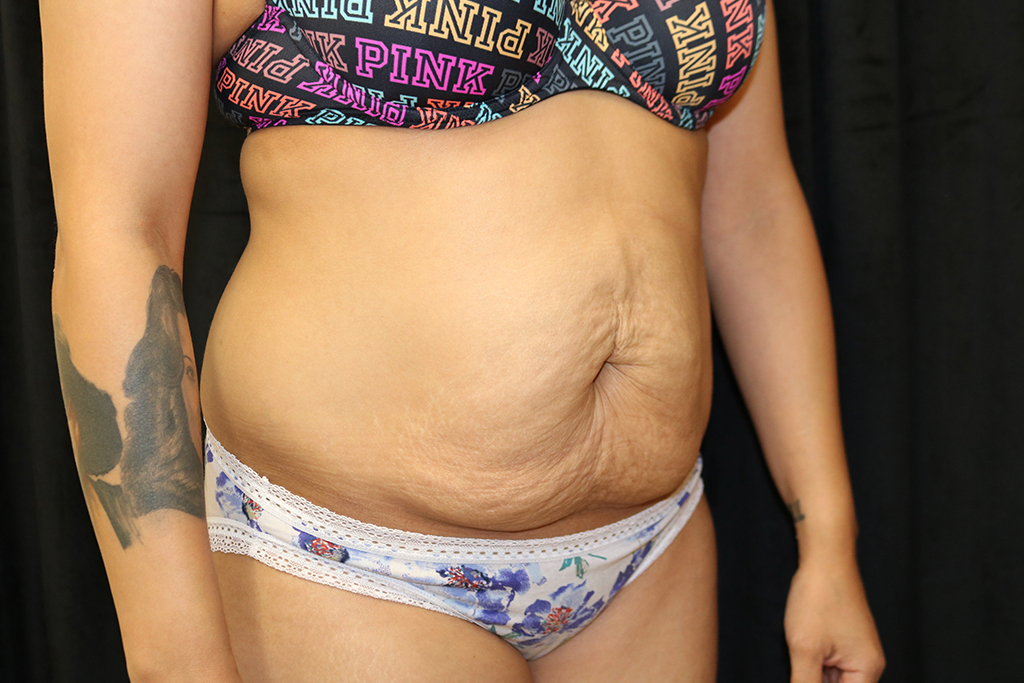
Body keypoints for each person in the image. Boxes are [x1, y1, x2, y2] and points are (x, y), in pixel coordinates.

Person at [42, 0, 885, 679]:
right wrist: (179, 662)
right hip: (351, 566)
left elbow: (750, 209)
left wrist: (828, 539)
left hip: (650, 556)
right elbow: (118, 234)